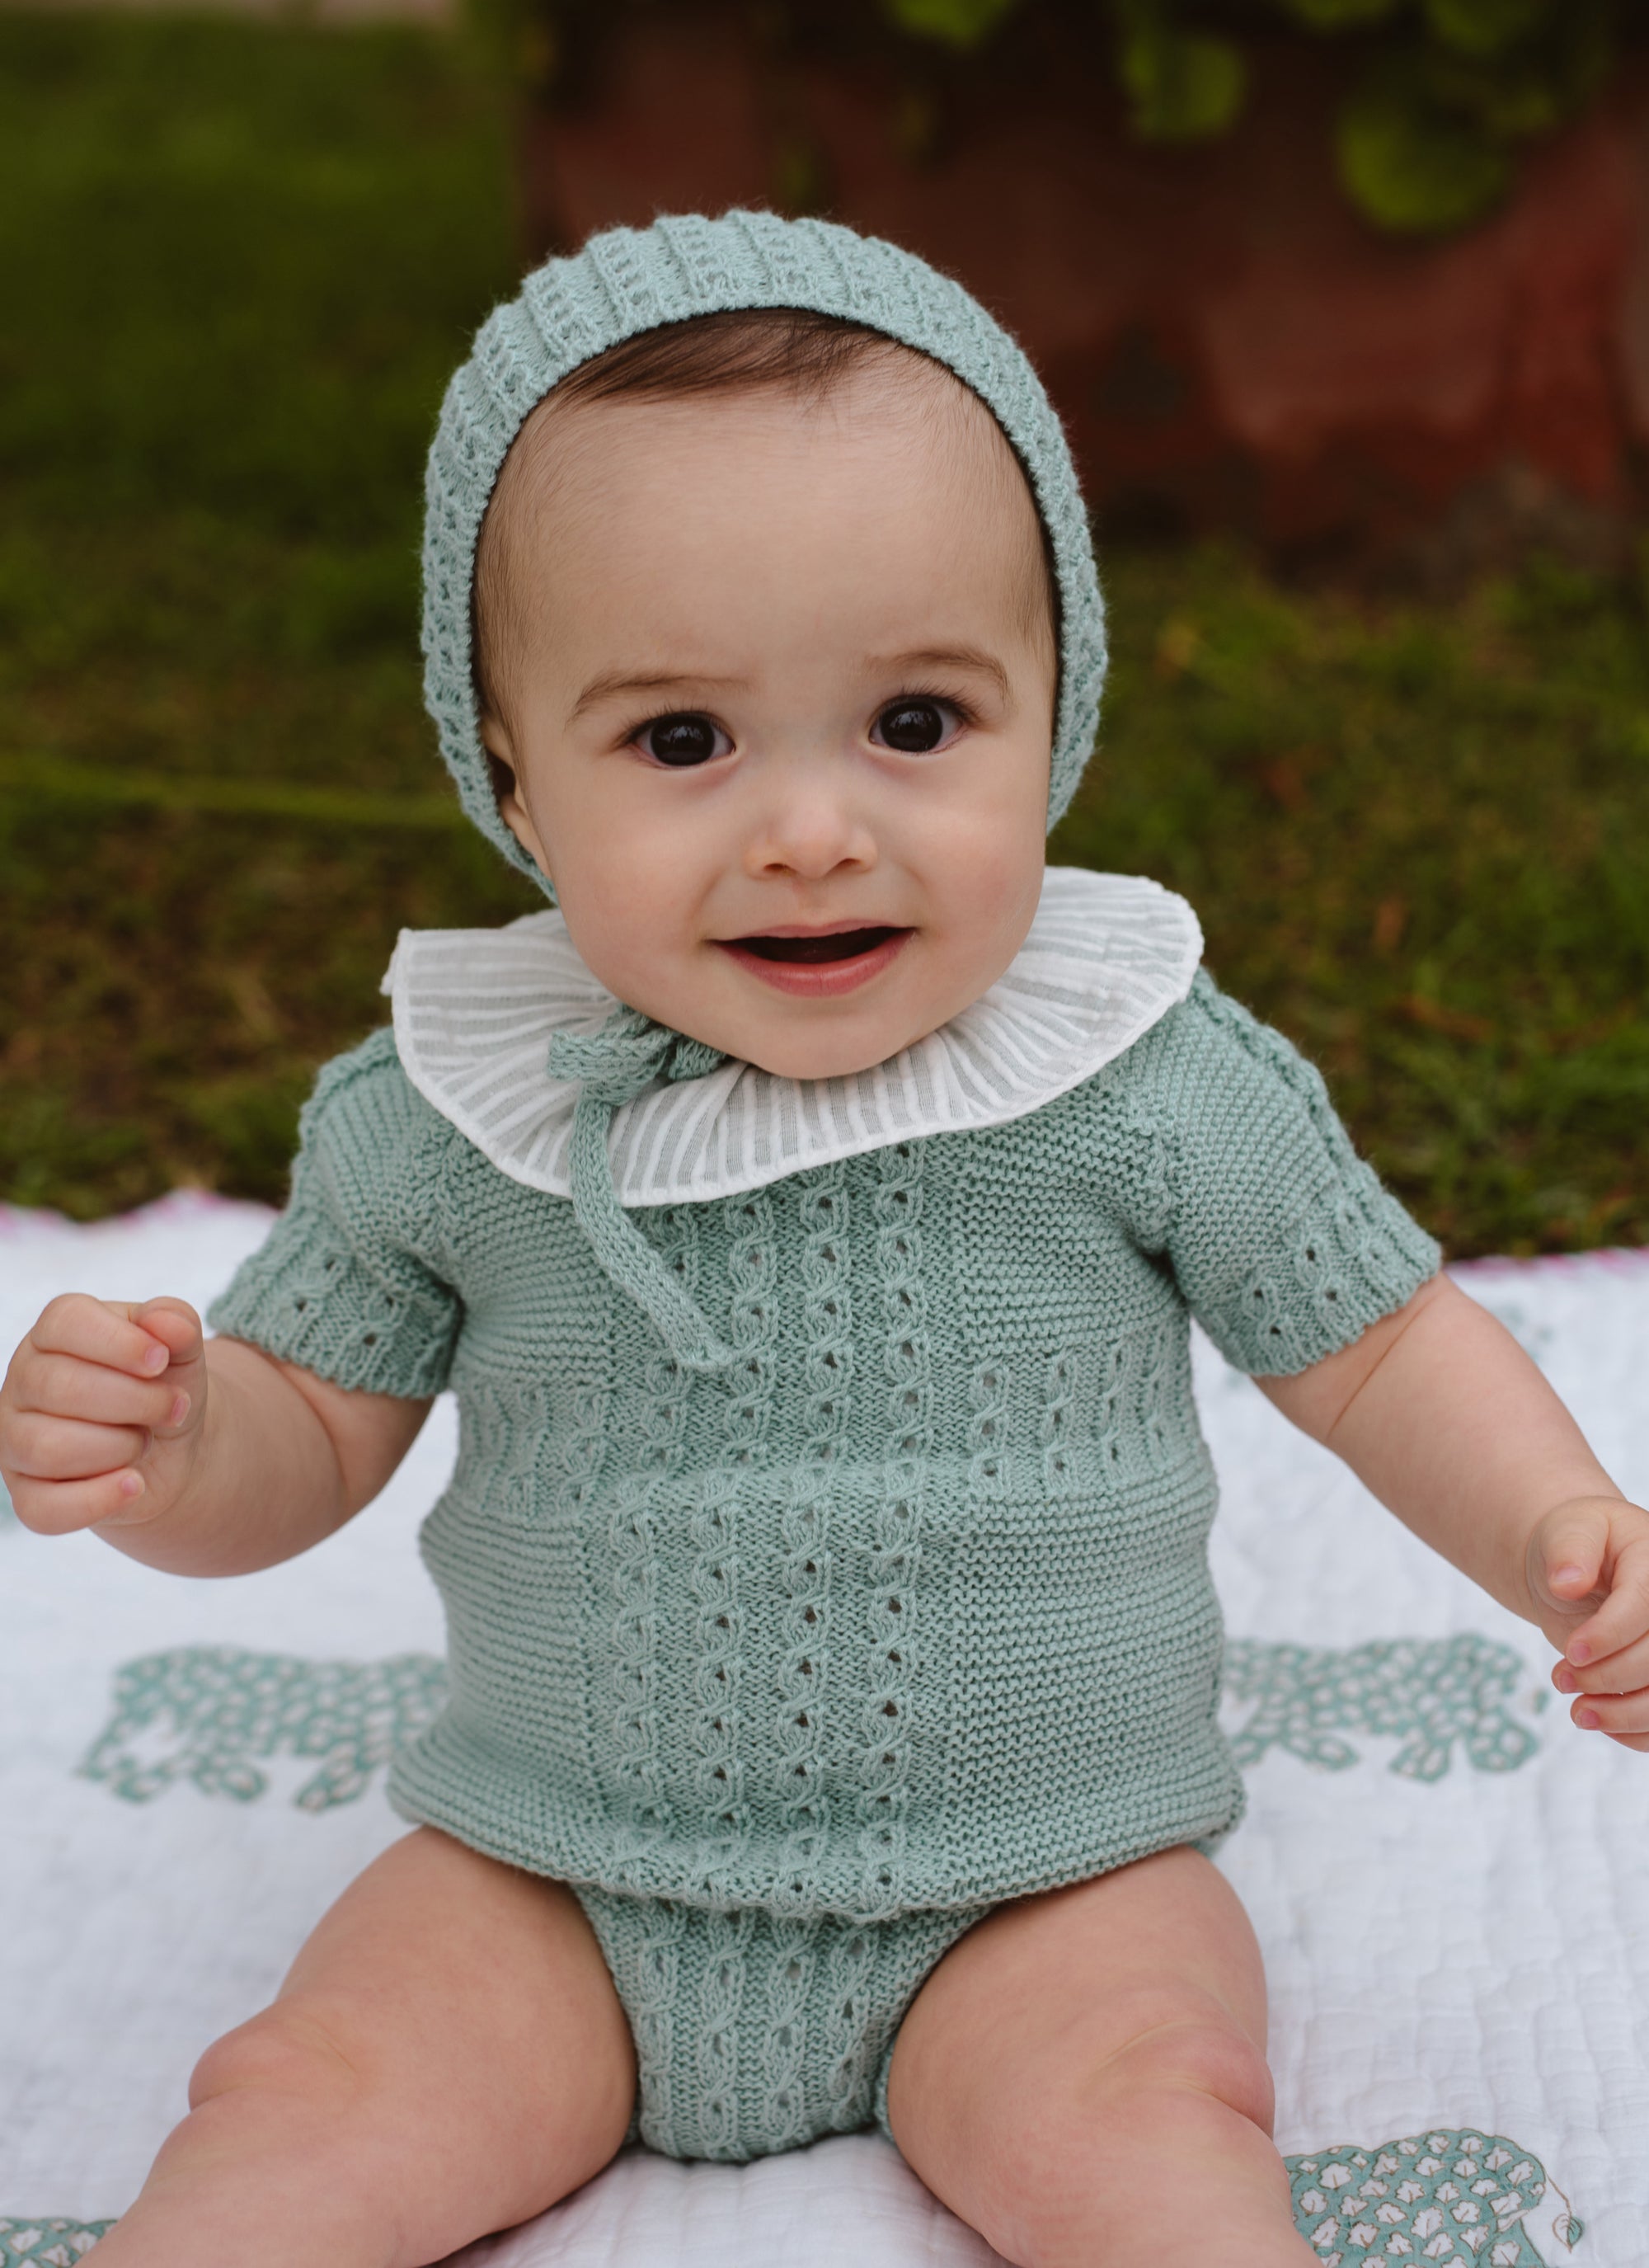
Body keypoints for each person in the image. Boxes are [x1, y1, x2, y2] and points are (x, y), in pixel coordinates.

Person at [2, 209, 1644, 2268]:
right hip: (558, 1874)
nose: (809, 832)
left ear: (1060, 710)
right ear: (514, 780)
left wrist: (1563, 1524)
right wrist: (174, 1450)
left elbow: (1381, 1344)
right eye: (681, 741)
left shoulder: (1138, 1072)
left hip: (1043, 1876)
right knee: (302, 2099)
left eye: (916, 723)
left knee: (1143, 2123)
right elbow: (310, 1433)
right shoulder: (446, 1114)